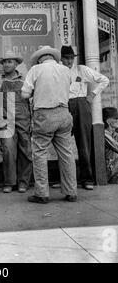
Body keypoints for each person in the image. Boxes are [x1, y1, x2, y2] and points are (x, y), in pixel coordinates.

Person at [21, 45, 77, 203]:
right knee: (67, 153)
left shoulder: (36, 69)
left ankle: (42, 193)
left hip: (44, 115)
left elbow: (25, 94)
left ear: (40, 58)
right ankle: (71, 191)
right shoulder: (65, 70)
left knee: (39, 153)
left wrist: (34, 92)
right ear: (53, 57)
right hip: (64, 113)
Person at [60, 45, 109, 190]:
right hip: (63, 106)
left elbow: (104, 80)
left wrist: (92, 95)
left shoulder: (81, 69)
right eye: (66, 58)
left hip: (81, 104)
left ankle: (87, 179)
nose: (69, 61)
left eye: (71, 58)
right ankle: (66, 181)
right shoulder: (58, 71)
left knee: (84, 144)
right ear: (61, 59)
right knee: (62, 143)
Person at [0, 51, 32, 194]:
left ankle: (24, 182)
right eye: (4, 62)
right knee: (8, 150)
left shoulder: (25, 79)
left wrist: (31, 120)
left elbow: (30, 100)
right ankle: (9, 182)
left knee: (25, 149)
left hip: (23, 117)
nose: (6, 65)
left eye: (9, 62)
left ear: (16, 64)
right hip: (5, 119)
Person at [103, 107, 118, 184]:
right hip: (109, 169)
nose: (117, 120)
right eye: (116, 118)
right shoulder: (104, 134)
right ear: (108, 121)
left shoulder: (114, 133)